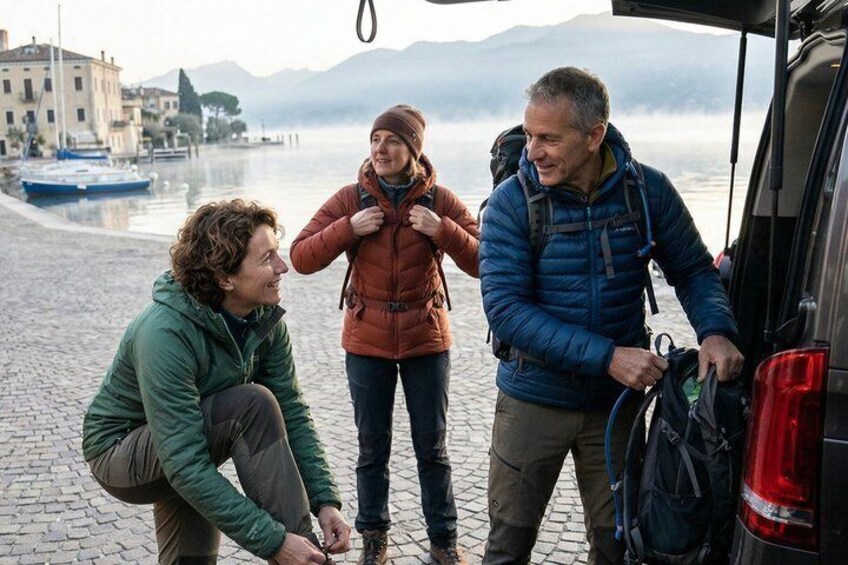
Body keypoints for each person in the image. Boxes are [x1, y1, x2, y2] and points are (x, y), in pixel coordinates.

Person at [478, 67, 745, 565]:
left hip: (614, 407)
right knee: (507, 548)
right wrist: (609, 357)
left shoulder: (647, 191)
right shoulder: (510, 203)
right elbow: (507, 311)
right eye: (530, 135)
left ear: (593, 135)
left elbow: (692, 269)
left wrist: (715, 331)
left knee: (616, 546)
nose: (532, 152)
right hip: (533, 400)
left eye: (548, 138)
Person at [82, 199, 351, 565]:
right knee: (251, 404)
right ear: (225, 277)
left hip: (185, 435)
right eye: (267, 258)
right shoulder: (164, 333)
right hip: (120, 453)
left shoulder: (264, 319)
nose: (283, 266)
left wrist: (325, 501)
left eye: (278, 252)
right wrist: (276, 542)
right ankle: (309, 559)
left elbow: (292, 412)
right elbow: (185, 462)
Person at [290, 105, 479, 565]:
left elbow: (485, 261)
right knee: (371, 448)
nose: (381, 148)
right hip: (367, 340)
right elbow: (300, 256)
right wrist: (347, 229)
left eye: (392, 140)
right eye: (375, 139)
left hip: (425, 338)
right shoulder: (350, 200)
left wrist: (444, 231)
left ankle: (444, 540)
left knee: (432, 447)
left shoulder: (440, 200)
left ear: (413, 149)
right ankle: (374, 537)